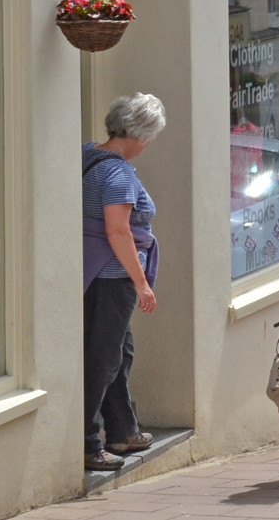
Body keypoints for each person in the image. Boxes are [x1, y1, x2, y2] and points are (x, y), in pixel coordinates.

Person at [81, 93, 166, 473]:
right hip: (112, 277)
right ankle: (87, 442)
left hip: (90, 273)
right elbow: (118, 232)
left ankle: (122, 429)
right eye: (151, 136)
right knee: (103, 358)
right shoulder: (118, 174)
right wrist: (141, 283)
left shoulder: (87, 154)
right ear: (140, 135)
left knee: (120, 351)